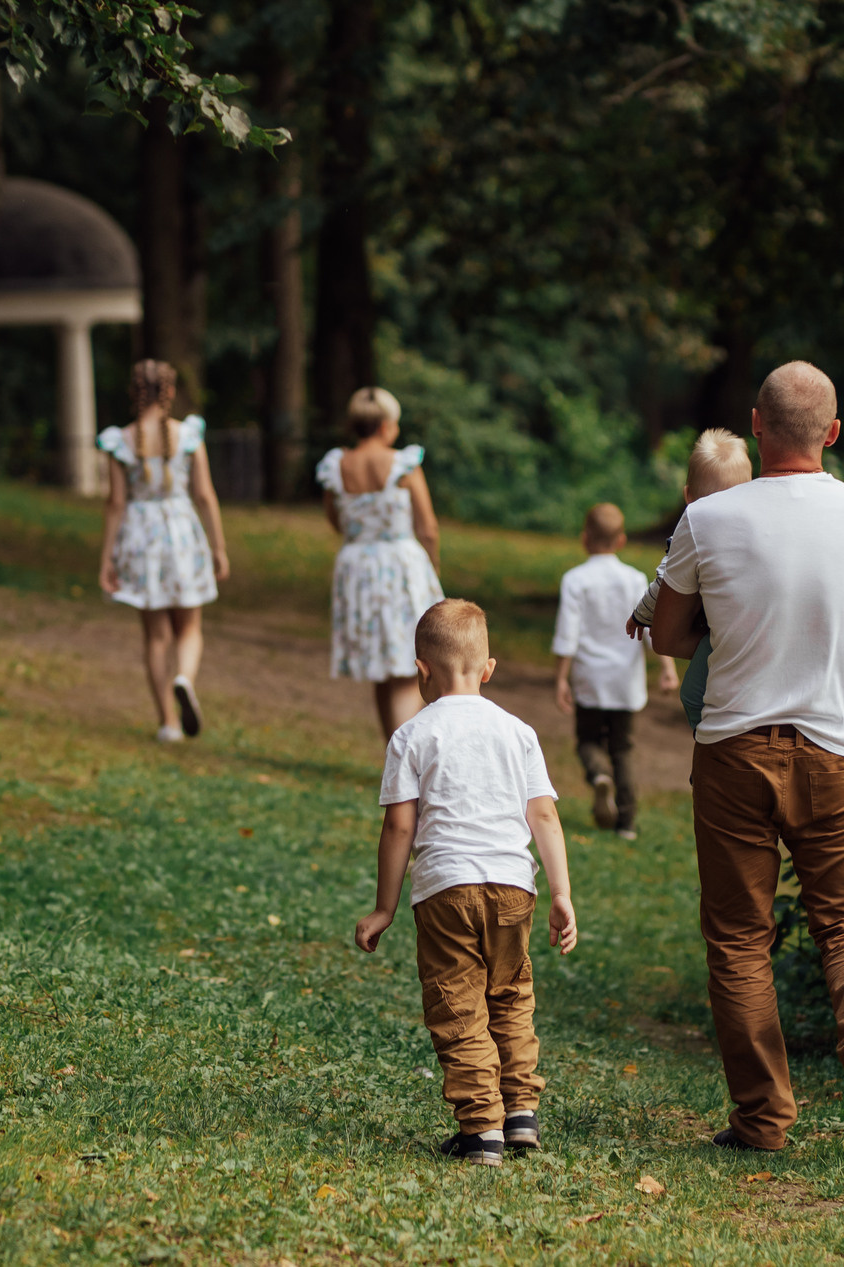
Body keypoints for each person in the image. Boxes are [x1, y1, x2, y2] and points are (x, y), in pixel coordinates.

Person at [648, 363, 844, 1164]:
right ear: (832, 433)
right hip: (838, 751)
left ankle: (762, 1119)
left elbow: (667, 633)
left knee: (737, 938)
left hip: (735, 751)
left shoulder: (711, 517)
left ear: (756, 424)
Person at [355, 600, 578, 1165]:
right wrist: (560, 894)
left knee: (458, 1005)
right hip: (513, 888)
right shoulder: (518, 732)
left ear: (420, 670)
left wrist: (385, 907)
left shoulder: (411, 735)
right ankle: (520, 1113)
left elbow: (399, 824)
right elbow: (544, 815)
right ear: (488, 669)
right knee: (510, 998)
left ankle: (482, 1130)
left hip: (445, 889)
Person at [97, 359, 231, 742]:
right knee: (189, 626)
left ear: (134, 393)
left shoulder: (119, 440)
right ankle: (184, 678)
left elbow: (115, 503)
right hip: (181, 532)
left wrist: (106, 557)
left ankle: (168, 723)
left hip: (141, 537)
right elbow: (204, 494)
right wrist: (219, 546)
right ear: (170, 392)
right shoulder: (188, 435)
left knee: (155, 635)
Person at [318, 386, 445, 740]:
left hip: (357, 567)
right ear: (387, 426)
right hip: (400, 567)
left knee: (381, 668)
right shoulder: (403, 463)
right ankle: (406, 761)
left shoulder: (336, 466)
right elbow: (428, 526)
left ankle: (394, 755)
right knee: (407, 669)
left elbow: (335, 518)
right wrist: (432, 564)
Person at [550, 503, 675, 839]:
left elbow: (567, 633)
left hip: (590, 679)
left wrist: (561, 678)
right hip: (625, 681)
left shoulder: (575, 580)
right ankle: (627, 823)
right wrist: (667, 668)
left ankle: (598, 774)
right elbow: (650, 627)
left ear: (584, 539)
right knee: (623, 748)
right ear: (621, 540)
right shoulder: (635, 579)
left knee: (588, 740)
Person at [628, 429, 757, 732]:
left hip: (719, 635)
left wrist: (640, 615)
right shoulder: (758, 534)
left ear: (688, 496)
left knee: (692, 695)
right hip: (751, 627)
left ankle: (711, 742)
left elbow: (663, 582)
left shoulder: (693, 530)